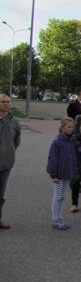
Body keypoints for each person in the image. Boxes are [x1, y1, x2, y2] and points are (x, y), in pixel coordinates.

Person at [47, 118, 79, 230]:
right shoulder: (57, 141)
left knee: (62, 197)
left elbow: (73, 157)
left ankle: (59, 218)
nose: (71, 129)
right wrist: (53, 175)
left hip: (67, 173)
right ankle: (55, 220)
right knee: (58, 197)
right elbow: (52, 159)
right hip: (59, 174)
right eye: (68, 127)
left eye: (72, 127)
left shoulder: (72, 140)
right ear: (62, 127)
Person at [0, 94, 21, 229]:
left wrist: (9, 151)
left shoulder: (15, 121)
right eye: (3, 102)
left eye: (8, 102)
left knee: (1, 193)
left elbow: (16, 141)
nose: (6, 104)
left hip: (6, 162)